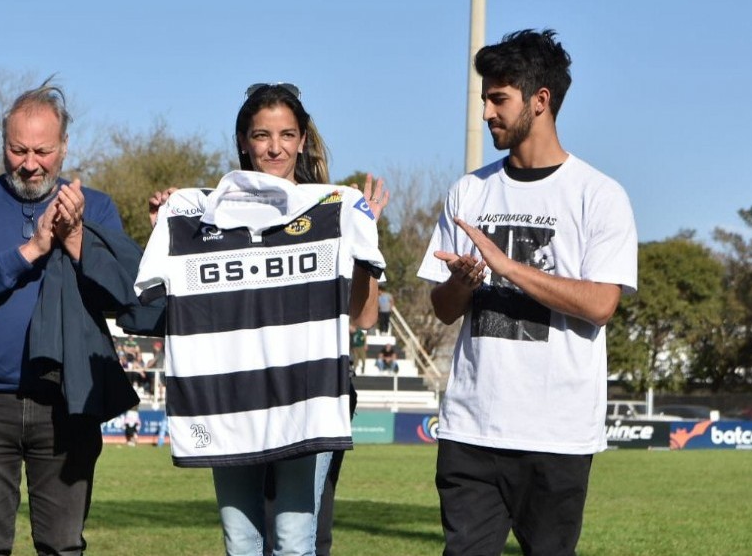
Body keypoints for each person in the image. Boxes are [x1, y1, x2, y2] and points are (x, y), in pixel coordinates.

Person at [417, 29, 638, 556]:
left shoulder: (599, 195)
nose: (487, 112)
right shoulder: (468, 191)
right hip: (471, 429)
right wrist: (462, 284)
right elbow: (444, 312)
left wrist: (507, 267)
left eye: (499, 99)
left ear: (540, 101)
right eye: (485, 99)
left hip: (557, 435)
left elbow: (601, 305)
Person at [142, 83, 388, 556]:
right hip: (229, 398)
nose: (274, 147)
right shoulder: (204, 214)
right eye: (262, 135)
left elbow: (364, 317)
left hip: (308, 393)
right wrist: (172, 227)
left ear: (301, 140)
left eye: (286, 134)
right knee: (241, 543)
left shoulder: (332, 209)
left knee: (297, 543)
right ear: (243, 141)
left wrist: (362, 241)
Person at [0, 78, 145, 555]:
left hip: (67, 399)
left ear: (65, 147)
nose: (29, 163)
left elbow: (122, 295)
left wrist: (75, 241)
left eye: (43, 151)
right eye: (17, 149)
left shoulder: (98, 207)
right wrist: (33, 249)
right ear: (3, 143)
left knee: (62, 546)